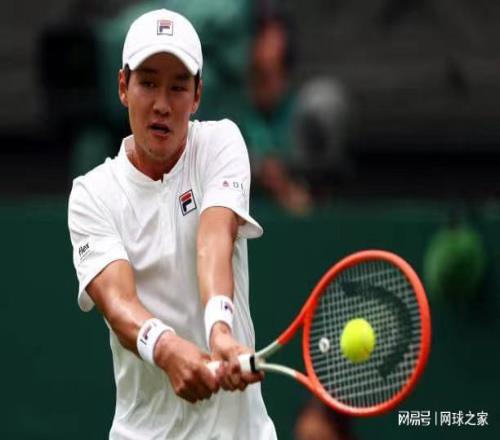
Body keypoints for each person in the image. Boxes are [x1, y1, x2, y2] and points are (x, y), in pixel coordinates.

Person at [67, 8, 277, 440]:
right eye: (147, 83)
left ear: (197, 95)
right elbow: (116, 302)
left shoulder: (220, 143)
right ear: (123, 87)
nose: (162, 104)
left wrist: (219, 329)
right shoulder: (92, 194)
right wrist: (164, 347)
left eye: (178, 87)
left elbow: (214, 239)